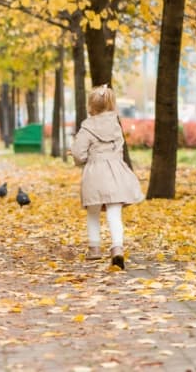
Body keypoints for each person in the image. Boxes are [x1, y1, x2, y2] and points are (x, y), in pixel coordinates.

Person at [70, 84, 144, 269]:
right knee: (114, 213)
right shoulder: (115, 126)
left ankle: (95, 248)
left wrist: (82, 158)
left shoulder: (87, 128)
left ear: (90, 106)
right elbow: (119, 149)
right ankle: (117, 247)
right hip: (115, 172)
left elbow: (79, 153)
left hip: (94, 173)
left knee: (93, 212)